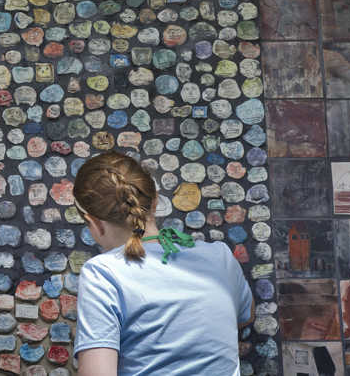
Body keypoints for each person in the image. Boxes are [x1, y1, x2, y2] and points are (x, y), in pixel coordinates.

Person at [72, 151, 254, 376]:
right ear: (156, 201)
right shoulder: (221, 256)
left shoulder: (102, 273)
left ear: (94, 223)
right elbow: (246, 316)